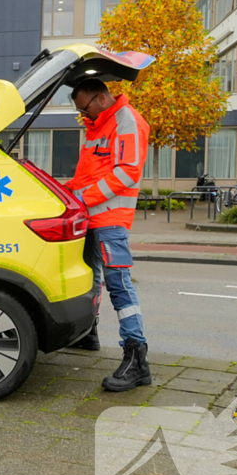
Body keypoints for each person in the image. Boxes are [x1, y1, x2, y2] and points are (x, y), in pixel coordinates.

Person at [64, 80, 150, 392]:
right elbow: (88, 173)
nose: (82, 114)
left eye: (85, 107)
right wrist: (67, 191)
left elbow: (127, 172)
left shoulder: (126, 121)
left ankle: (137, 358)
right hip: (91, 216)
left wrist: (81, 197)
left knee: (119, 284)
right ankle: (89, 334)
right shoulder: (98, 125)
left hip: (111, 219)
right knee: (91, 276)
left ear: (101, 98)